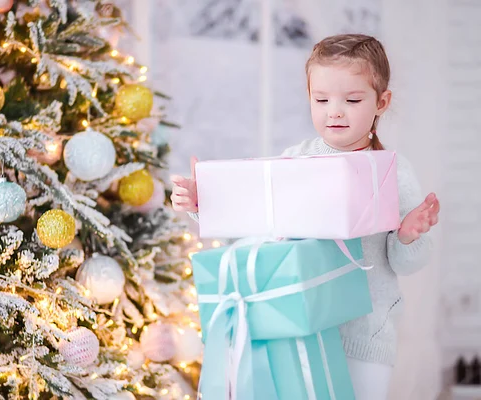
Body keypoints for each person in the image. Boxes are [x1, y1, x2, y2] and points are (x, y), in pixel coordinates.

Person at [170, 33, 440, 400]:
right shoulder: (295, 160)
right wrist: (206, 202)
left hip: (366, 334)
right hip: (302, 327)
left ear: (382, 102)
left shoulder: (393, 171)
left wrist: (408, 236)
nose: (335, 111)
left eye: (352, 99)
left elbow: (407, 262)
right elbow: (257, 221)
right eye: (322, 99)